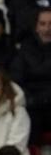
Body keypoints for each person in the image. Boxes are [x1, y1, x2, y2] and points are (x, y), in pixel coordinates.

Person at [10, 7, 51, 136]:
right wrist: (31, 99)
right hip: (31, 103)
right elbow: (17, 79)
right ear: (36, 27)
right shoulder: (25, 49)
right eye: (42, 24)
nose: (47, 29)